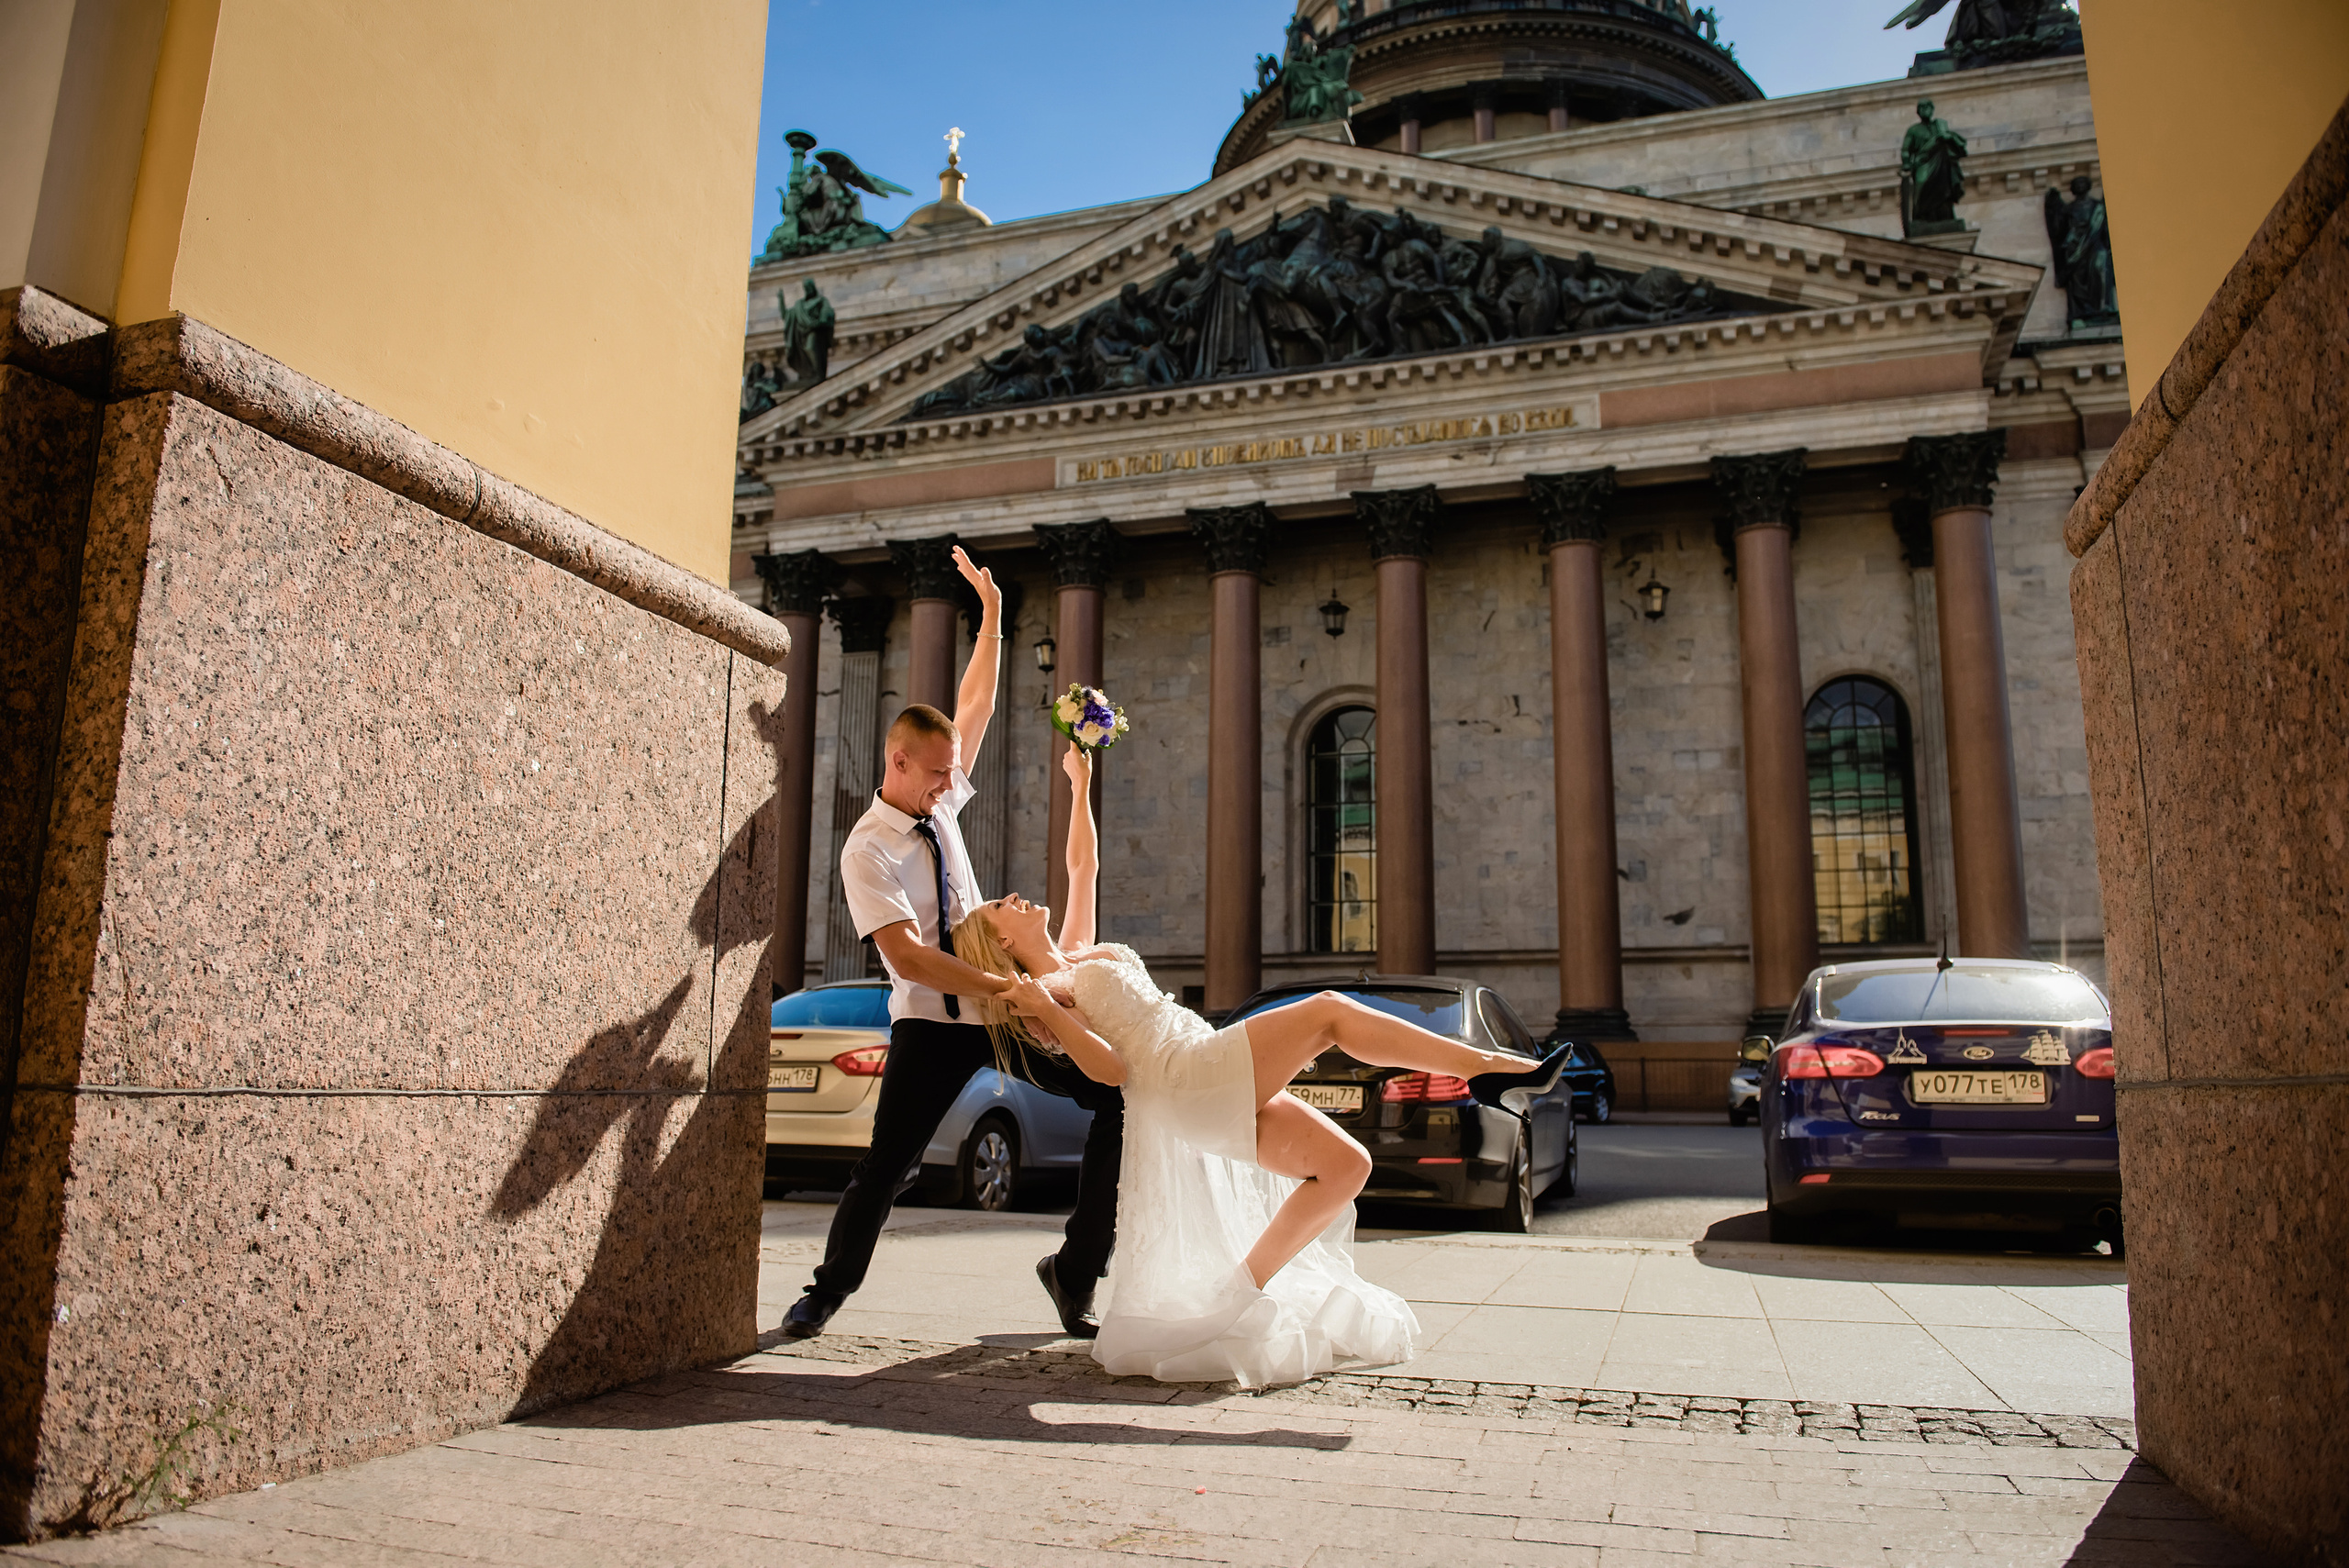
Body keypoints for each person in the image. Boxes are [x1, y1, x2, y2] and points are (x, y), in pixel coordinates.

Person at [952, 746, 1569, 1386]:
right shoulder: (1048, 992)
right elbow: (1110, 1072)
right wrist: (1041, 1012)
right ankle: (1488, 1066)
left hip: (1198, 1072)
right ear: (1002, 941)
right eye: (1003, 905)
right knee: (1328, 1010)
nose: (1017, 897)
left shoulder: (1072, 958)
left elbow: (1084, 865)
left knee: (1346, 1166)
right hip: (1184, 1074)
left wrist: (1080, 785)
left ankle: (1236, 1293)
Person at [778, 547, 1124, 1342]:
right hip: (936, 1021)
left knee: (1116, 1101)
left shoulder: (938, 805)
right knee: (888, 1166)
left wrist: (995, 620)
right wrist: (1010, 990)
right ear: (897, 761)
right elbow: (909, 958)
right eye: (937, 777)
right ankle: (826, 1291)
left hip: (1001, 1009)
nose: (948, 789)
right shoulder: (867, 850)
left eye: (951, 776)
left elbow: (975, 705)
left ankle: (1075, 1271)